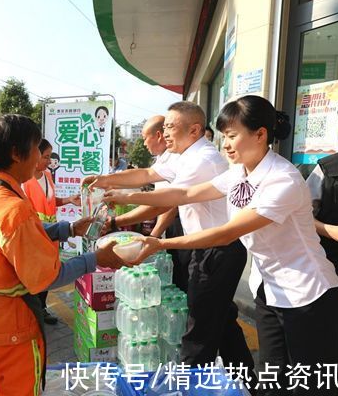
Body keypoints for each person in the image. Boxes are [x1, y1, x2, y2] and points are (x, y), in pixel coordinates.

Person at [105, 95, 338, 395]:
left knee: (311, 386)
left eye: (232, 135)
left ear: (260, 134)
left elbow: (226, 233)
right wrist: (124, 196)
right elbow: (186, 195)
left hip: (309, 294)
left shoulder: (283, 179)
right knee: (271, 382)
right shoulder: (239, 173)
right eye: (223, 136)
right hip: (270, 290)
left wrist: (161, 244)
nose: (225, 144)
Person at [0, 114, 126, 396]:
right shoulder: (15, 209)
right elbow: (47, 277)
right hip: (5, 328)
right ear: (17, 154)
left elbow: (8, 237)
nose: (42, 158)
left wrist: (68, 229)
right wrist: (97, 259)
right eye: (38, 149)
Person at [83, 101, 254, 378]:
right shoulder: (182, 155)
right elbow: (148, 174)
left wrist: (123, 197)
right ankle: (248, 381)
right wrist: (106, 180)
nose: (166, 134)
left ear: (195, 129)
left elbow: (171, 198)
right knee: (220, 321)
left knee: (198, 330)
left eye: (170, 127)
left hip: (217, 249)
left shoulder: (203, 160)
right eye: (163, 128)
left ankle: (191, 383)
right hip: (206, 247)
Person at [105, 115, 191, 291]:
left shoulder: (177, 159)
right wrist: (107, 182)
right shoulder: (163, 160)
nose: (144, 143)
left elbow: (168, 203)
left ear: (159, 135)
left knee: (190, 285)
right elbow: (144, 177)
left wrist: (154, 236)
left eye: (145, 138)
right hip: (176, 224)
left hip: (183, 225)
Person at [305, 98, 338, 394]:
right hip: (336, 277)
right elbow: (300, 218)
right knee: (330, 351)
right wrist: (328, 230)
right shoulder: (327, 169)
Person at [22, 138, 80, 325]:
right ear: (34, 155)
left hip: (51, 236)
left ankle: (42, 309)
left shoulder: (47, 175)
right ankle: (33, 313)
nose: (49, 161)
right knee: (34, 275)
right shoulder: (24, 180)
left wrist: (69, 199)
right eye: (46, 156)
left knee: (47, 272)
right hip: (34, 235)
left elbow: (50, 201)